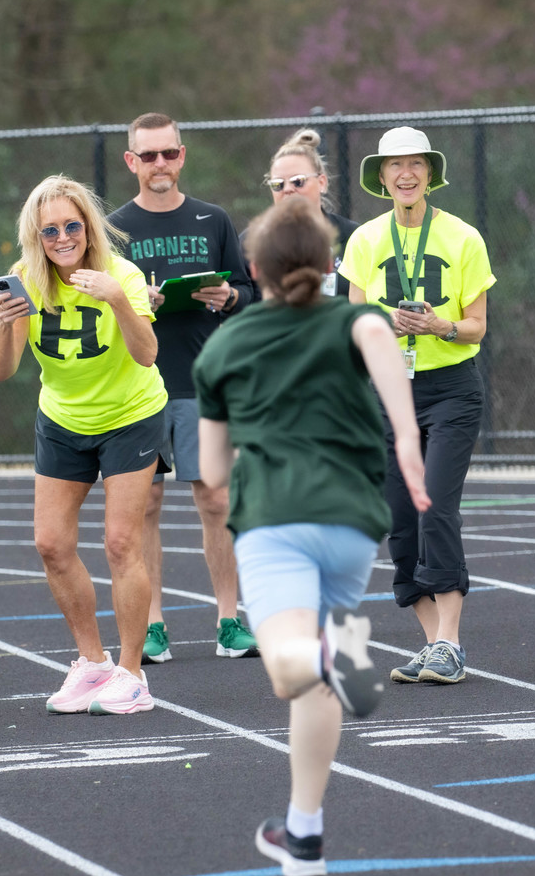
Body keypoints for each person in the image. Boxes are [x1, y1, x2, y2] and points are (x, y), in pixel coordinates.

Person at [193, 198, 430, 876]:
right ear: (329, 263)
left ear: (252, 269)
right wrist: (407, 442)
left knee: (292, 671)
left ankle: (335, 653)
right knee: (315, 687)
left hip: (274, 521)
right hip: (353, 524)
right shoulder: (356, 320)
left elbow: (211, 472)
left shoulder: (225, 346)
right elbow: (381, 345)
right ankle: (303, 833)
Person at [0, 175, 168, 715]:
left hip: (129, 416)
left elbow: (147, 354)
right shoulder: (25, 278)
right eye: (50, 231)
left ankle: (133, 675)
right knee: (51, 544)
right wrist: (2, 326)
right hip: (63, 419)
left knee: (121, 543)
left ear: (89, 227)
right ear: (35, 237)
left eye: (72, 226)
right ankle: (92, 663)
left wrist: (118, 301)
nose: (62, 237)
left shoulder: (122, 274)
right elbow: (2, 370)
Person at [340, 126, 496, 684]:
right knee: (400, 523)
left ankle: (450, 641)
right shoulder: (365, 240)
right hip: (387, 394)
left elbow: (477, 326)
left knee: (436, 508)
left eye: (416, 164)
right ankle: (435, 646)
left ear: (430, 173)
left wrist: (439, 326)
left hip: (451, 389)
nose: (405, 174)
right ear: (381, 177)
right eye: (394, 165)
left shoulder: (464, 237)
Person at [108, 112, 257, 665]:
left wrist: (229, 297)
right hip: (137, 385)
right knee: (145, 504)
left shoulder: (212, 219)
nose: (160, 164)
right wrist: (132, 302)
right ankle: (153, 626)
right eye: (148, 155)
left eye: (168, 153)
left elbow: (247, 290)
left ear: (182, 156)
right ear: (132, 161)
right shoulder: (113, 230)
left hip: (202, 382)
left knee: (216, 499)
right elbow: (96, 303)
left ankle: (228, 622)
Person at [243, 127, 358, 299]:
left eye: (298, 181)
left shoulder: (354, 237)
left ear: (322, 182)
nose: (288, 189)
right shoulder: (252, 241)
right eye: (278, 184)